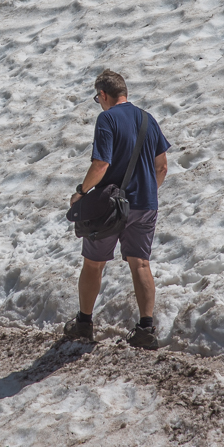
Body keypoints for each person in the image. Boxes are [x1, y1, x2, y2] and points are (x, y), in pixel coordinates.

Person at [64, 69, 171, 348]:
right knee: (141, 263)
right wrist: (146, 191)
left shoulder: (107, 118)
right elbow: (162, 167)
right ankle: (146, 328)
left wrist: (81, 192)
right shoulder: (149, 119)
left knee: (94, 263)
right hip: (146, 203)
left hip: (110, 208)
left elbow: (101, 165)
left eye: (97, 98)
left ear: (103, 95)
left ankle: (84, 324)